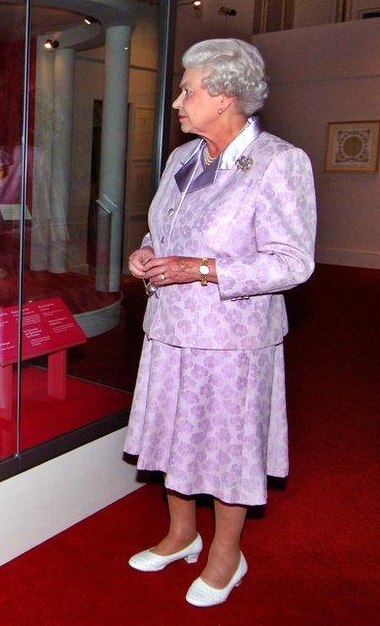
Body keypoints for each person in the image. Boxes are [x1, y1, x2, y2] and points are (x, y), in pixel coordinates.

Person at [125, 39, 316, 607]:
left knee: (227, 447)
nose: (178, 101)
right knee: (172, 435)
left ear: (226, 97)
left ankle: (227, 555)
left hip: (233, 338)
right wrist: (147, 253)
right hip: (170, 328)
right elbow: (169, 233)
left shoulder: (281, 163)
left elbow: (292, 261)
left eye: (188, 89)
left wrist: (203, 269)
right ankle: (182, 535)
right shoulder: (182, 158)